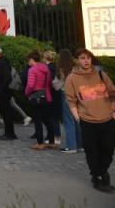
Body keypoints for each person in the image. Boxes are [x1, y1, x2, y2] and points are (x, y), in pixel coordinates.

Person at [64, 48, 115, 193]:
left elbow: (112, 92)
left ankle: (102, 172)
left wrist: (113, 111)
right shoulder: (72, 78)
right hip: (87, 120)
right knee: (92, 151)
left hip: (107, 119)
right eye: (82, 58)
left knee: (108, 150)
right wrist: (77, 118)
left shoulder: (101, 74)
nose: (86, 61)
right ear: (77, 60)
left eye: (88, 58)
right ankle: (99, 178)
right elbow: (71, 100)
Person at [25, 49, 56, 150]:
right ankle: (52, 142)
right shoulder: (46, 68)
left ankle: (40, 143)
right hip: (46, 96)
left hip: (36, 97)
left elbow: (30, 85)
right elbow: (49, 84)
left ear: (31, 59)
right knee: (47, 120)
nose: (29, 62)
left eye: (29, 60)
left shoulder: (32, 70)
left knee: (38, 121)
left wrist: (27, 93)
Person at [56, 49, 81, 153]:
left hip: (66, 95)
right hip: (78, 95)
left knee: (68, 121)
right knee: (77, 120)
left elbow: (57, 85)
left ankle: (71, 146)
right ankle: (80, 144)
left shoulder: (63, 70)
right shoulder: (77, 68)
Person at [44, 50, 63, 144]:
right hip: (58, 93)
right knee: (55, 116)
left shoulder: (48, 68)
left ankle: (54, 137)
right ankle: (56, 136)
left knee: (51, 116)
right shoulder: (56, 67)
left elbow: (48, 82)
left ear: (45, 58)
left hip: (51, 94)